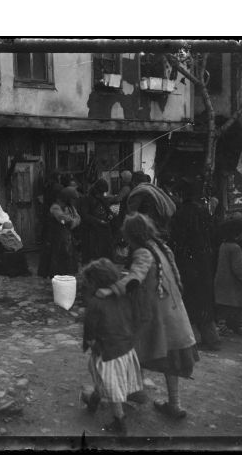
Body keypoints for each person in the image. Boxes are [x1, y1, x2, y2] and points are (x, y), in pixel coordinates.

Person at [97, 213, 199, 419]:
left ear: (130, 235)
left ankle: (126, 393)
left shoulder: (143, 253)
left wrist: (111, 290)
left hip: (154, 314)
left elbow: (135, 278)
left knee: (134, 348)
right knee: (171, 356)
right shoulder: (162, 248)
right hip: (173, 309)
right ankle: (174, 404)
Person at [81, 258, 144, 436]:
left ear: (93, 282)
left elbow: (90, 332)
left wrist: (92, 345)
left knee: (109, 382)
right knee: (106, 378)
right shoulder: (124, 296)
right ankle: (93, 400)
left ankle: (119, 421)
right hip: (126, 347)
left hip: (107, 351)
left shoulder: (95, 303)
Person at [170, 179, 221, 350]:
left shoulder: (180, 214)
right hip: (205, 261)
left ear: (180, 195)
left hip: (187, 262)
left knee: (189, 298)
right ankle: (211, 338)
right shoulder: (204, 212)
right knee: (204, 298)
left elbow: (177, 240)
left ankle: (192, 340)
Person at [214, 218, 242, 336]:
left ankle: (228, 324)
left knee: (225, 304)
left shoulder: (223, 245)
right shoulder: (235, 248)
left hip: (222, 280)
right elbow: (238, 267)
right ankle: (237, 325)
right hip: (233, 282)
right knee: (239, 303)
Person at [37, 187, 81, 278]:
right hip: (55, 235)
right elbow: (61, 217)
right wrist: (70, 220)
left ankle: (67, 273)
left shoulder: (71, 207)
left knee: (69, 254)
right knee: (55, 255)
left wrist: (72, 222)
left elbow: (78, 218)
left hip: (66, 234)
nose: (73, 201)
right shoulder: (55, 207)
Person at [79, 179, 114, 264]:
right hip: (91, 230)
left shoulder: (102, 198)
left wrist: (110, 215)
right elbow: (85, 215)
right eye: (101, 192)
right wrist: (98, 221)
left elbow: (108, 210)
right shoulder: (86, 199)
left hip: (103, 228)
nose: (102, 194)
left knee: (104, 251)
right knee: (90, 253)